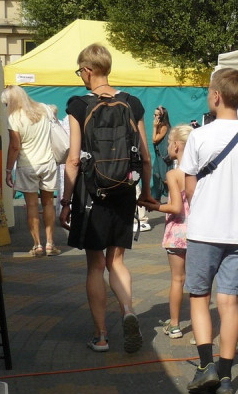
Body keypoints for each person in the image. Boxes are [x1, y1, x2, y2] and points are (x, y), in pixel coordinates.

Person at [60, 43, 155, 354]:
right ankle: (128, 311)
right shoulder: (132, 102)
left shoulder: (78, 104)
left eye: (81, 72)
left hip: (91, 193)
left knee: (94, 265)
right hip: (124, 189)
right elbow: (145, 155)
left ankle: (101, 336)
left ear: (88, 70)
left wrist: (65, 202)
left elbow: (73, 159)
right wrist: (148, 192)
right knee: (117, 261)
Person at [179, 68, 238, 394]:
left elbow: (189, 187)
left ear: (216, 96)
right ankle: (227, 376)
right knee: (230, 302)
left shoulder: (199, 137)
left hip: (204, 230)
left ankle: (205, 367)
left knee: (199, 297)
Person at [141, 122, 193, 340]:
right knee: (200, 281)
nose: (168, 147)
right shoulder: (199, 171)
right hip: (198, 231)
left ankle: (174, 325)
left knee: (177, 280)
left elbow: (175, 207)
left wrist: (154, 206)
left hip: (177, 232)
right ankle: (201, 330)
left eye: (170, 143)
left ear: (178, 146)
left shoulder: (174, 174)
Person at [1, 85, 60, 257]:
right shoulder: (44, 108)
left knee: (32, 205)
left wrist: (7, 170)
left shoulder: (13, 117)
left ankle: (37, 245)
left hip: (27, 165)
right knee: (49, 203)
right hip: (48, 162)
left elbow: (15, 146)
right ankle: (50, 243)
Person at [151, 105, 172, 202]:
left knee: (165, 178)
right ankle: (156, 198)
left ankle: (172, 196)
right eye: (154, 114)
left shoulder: (164, 127)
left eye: (156, 115)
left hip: (164, 158)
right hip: (158, 157)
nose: (154, 117)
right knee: (156, 175)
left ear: (161, 116)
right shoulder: (160, 126)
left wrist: (154, 127)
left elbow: (154, 140)